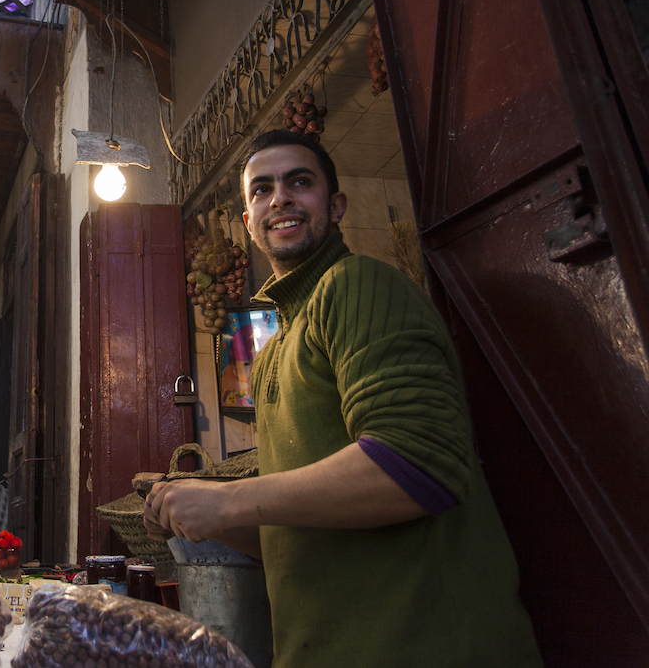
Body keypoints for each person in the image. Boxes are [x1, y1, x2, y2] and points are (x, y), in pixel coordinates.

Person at [144, 130, 541, 668]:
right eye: (261, 190)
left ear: (335, 206)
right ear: (248, 224)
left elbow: (417, 465)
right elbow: (302, 528)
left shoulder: (356, 286)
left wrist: (227, 499)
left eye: (299, 182)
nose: (279, 197)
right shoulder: (272, 350)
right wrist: (203, 518)